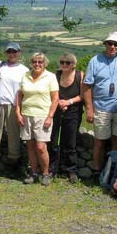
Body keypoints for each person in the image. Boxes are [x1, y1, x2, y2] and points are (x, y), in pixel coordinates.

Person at [83, 31, 117, 176]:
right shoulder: (95, 61)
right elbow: (86, 86)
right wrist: (89, 109)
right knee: (100, 141)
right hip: (101, 108)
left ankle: (114, 172)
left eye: (116, 44)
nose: (112, 46)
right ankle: (97, 171)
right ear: (105, 44)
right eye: (110, 43)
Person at [16, 52, 59, 186]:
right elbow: (19, 96)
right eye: (35, 61)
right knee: (30, 146)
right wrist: (18, 112)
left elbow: (55, 99)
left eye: (40, 62)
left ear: (45, 63)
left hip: (42, 116)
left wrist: (50, 116)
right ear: (31, 63)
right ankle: (34, 173)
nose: (37, 64)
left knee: (41, 147)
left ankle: (46, 174)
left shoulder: (50, 77)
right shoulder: (25, 76)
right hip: (27, 114)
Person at [0, 42, 29, 169]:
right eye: (9, 52)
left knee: (14, 134)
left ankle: (14, 159)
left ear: (19, 53)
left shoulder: (24, 70)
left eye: (14, 52)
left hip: (14, 105)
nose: (12, 54)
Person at [51, 53, 84, 183]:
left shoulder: (80, 75)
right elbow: (52, 91)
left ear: (73, 64)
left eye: (67, 62)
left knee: (70, 143)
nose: (64, 64)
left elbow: (83, 95)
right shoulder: (56, 75)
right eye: (62, 62)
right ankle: (53, 168)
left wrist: (68, 102)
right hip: (57, 111)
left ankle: (71, 170)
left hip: (73, 112)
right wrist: (59, 102)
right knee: (53, 141)